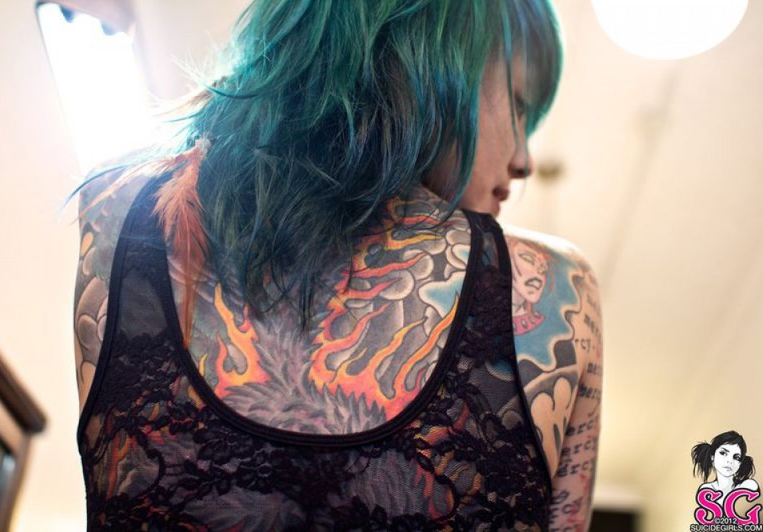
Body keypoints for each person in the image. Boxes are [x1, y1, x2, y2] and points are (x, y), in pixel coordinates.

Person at [73, 0, 603, 529]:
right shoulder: (552, 291)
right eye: (519, 105)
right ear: (431, 56)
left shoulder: (119, 208)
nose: (525, 161)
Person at [692, 431, 759, 506]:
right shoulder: (706, 489)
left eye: (736, 457)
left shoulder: (748, 485)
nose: (730, 461)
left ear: (740, 463)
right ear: (712, 456)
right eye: (723, 453)